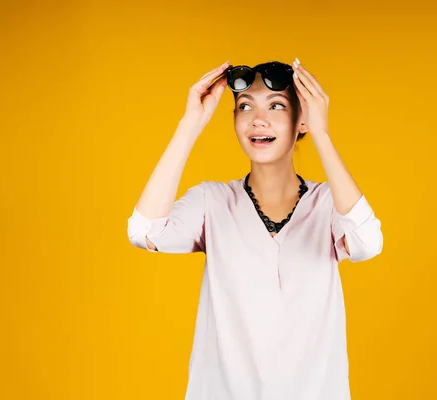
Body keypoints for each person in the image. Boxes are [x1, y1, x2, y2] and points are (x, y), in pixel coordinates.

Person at [127, 58, 383, 400]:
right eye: (245, 106)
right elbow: (145, 231)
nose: (257, 119)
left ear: (301, 119)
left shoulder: (328, 205)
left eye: (276, 105)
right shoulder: (212, 202)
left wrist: (321, 133)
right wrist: (191, 124)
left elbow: (368, 241)